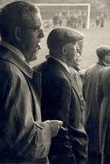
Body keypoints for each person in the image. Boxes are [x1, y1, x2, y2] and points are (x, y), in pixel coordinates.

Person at [0, 1, 63, 163]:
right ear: (18, 33)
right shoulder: (12, 74)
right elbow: (26, 143)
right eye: (37, 29)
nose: (42, 35)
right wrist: (48, 129)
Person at [34, 27, 88, 164]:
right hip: (68, 156)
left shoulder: (39, 69)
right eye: (75, 46)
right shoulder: (60, 79)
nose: (78, 50)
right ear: (64, 50)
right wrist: (70, 160)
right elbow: (59, 129)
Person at [83, 45, 110, 164]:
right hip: (101, 113)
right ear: (105, 57)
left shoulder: (89, 69)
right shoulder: (105, 71)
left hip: (89, 112)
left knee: (91, 148)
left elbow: (84, 91)